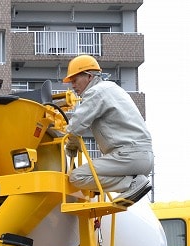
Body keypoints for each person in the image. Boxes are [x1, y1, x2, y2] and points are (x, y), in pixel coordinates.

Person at [63, 55, 153, 206]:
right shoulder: (112, 89)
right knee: (90, 175)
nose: (72, 86)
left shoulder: (96, 92)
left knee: (77, 177)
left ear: (89, 76)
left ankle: (131, 184)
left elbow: (75, 126)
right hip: (143, 156)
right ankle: (132, 183)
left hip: (128, 155)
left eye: (75, 80)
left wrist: (71, 145)